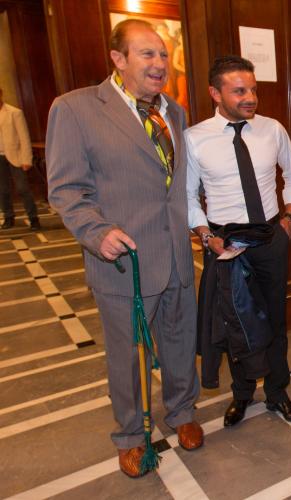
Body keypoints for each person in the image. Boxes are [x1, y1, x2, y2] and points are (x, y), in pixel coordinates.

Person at [46, 19, 202, 478]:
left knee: (179, 341)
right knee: (128, 354)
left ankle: (182, 411)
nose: (159, 64)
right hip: (123, 261)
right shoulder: (75, 109)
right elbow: (66, 190)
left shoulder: (173, 110)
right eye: (147, 54)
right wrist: (97, 233)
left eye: (163, 55)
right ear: (118, 59)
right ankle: (132, 435)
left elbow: (173, 185)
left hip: (176, 255)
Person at [186, 55, 291, 428]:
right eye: (239, 91)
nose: (250, 97)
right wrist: (207, 237)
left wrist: (288, 218)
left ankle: (277, 391)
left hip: (270, 235)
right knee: (235, 321)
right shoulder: (195, 138)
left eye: (252, 89)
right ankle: (241, 395)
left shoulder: (271, 129)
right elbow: (188, 196)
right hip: (226, 244)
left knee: (273, 319)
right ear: (215, 93)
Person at [0, 86, 39, 230]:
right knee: (2, 190)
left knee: (23, 189)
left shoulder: (14, 112)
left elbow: (24, 137)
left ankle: (33, 218)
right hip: (0, 157)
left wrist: (26, 159)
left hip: (16, 156)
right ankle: (8, 217)